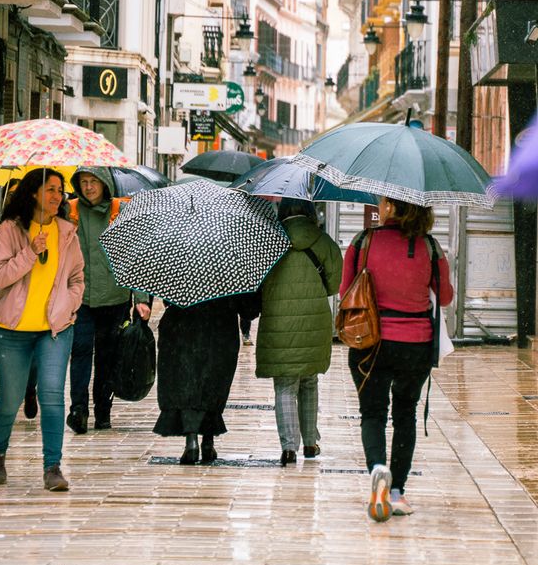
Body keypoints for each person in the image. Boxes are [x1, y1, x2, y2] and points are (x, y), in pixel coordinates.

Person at [341, 197, 453, 523]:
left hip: (370, 343)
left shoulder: (363, 241)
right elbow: (444, 297)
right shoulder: (430, 248)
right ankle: (397, 493)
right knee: (405, 414)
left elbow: (346, 289)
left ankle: (378, 468)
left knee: (372, 413)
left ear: (390, 206)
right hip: (416, 344)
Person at [0, 168, 84, 491]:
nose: (58, 196)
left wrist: (68, 305)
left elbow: (77, 279)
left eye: (61, 190)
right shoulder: (12, 230)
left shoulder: (68, 232)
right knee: (11, 398)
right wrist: (31, 251)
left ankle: (53, 467)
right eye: (51, 189)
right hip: (11, 331)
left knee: (53, 395)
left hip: (54, 329)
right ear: (33, 193)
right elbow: (0, 277)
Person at [254, 199, 342, 466]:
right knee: (309, 381)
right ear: (310, 211)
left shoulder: (267, 243)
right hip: (314, 322)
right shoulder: (323, 241)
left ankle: (288, 448)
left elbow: (255, 282)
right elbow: (334, 283)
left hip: (277, 322)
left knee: (284, 386)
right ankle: (310, 443)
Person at [66, 167, 149, 433]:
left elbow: (134, 257)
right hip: (80, 299)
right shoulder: (70, 212)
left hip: (114, 299)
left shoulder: (121, 212)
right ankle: (78, 409)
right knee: (79, 352)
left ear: (104, 184)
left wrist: (141, 298)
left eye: (94, 182)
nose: (89, 187)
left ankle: (103, 409)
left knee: (106, 357)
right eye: (84, 182)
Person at [153, 291, 260, 465]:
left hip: (184, 328)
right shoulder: (232, 268)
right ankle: (208, 443)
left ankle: (191, 441)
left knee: (188, 383)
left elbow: (167, 299)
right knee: (212, 384)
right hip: (220, 331)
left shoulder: (182, 265)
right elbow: (249, 309)